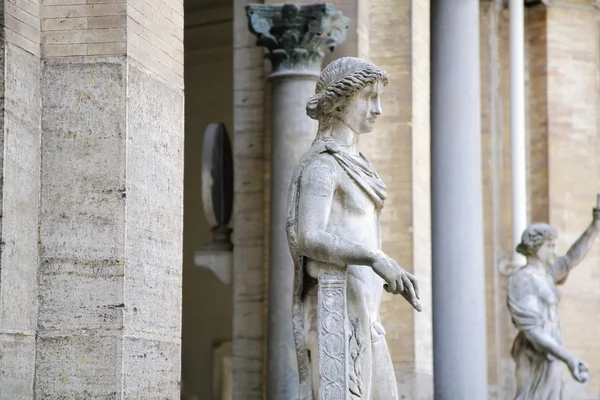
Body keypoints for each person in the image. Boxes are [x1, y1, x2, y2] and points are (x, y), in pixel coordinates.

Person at [286, 57, 421, 400]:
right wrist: (374, 258)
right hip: (337, 313)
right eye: (369, 97)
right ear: (341, 101)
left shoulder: (359, 166)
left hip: (366, 315)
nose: (378, 109)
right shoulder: (323, 164)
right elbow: (309, 236)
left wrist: (381, 265)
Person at [507, 209, 600, 400]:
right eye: (549, 246)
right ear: (534, 248)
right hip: (535, 355)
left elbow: (571, 259)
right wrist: (568, 357)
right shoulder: (522, 280)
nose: (554, 251)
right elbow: (533, 332)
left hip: (552, 355)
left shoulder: (548, 275)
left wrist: (594, 227)